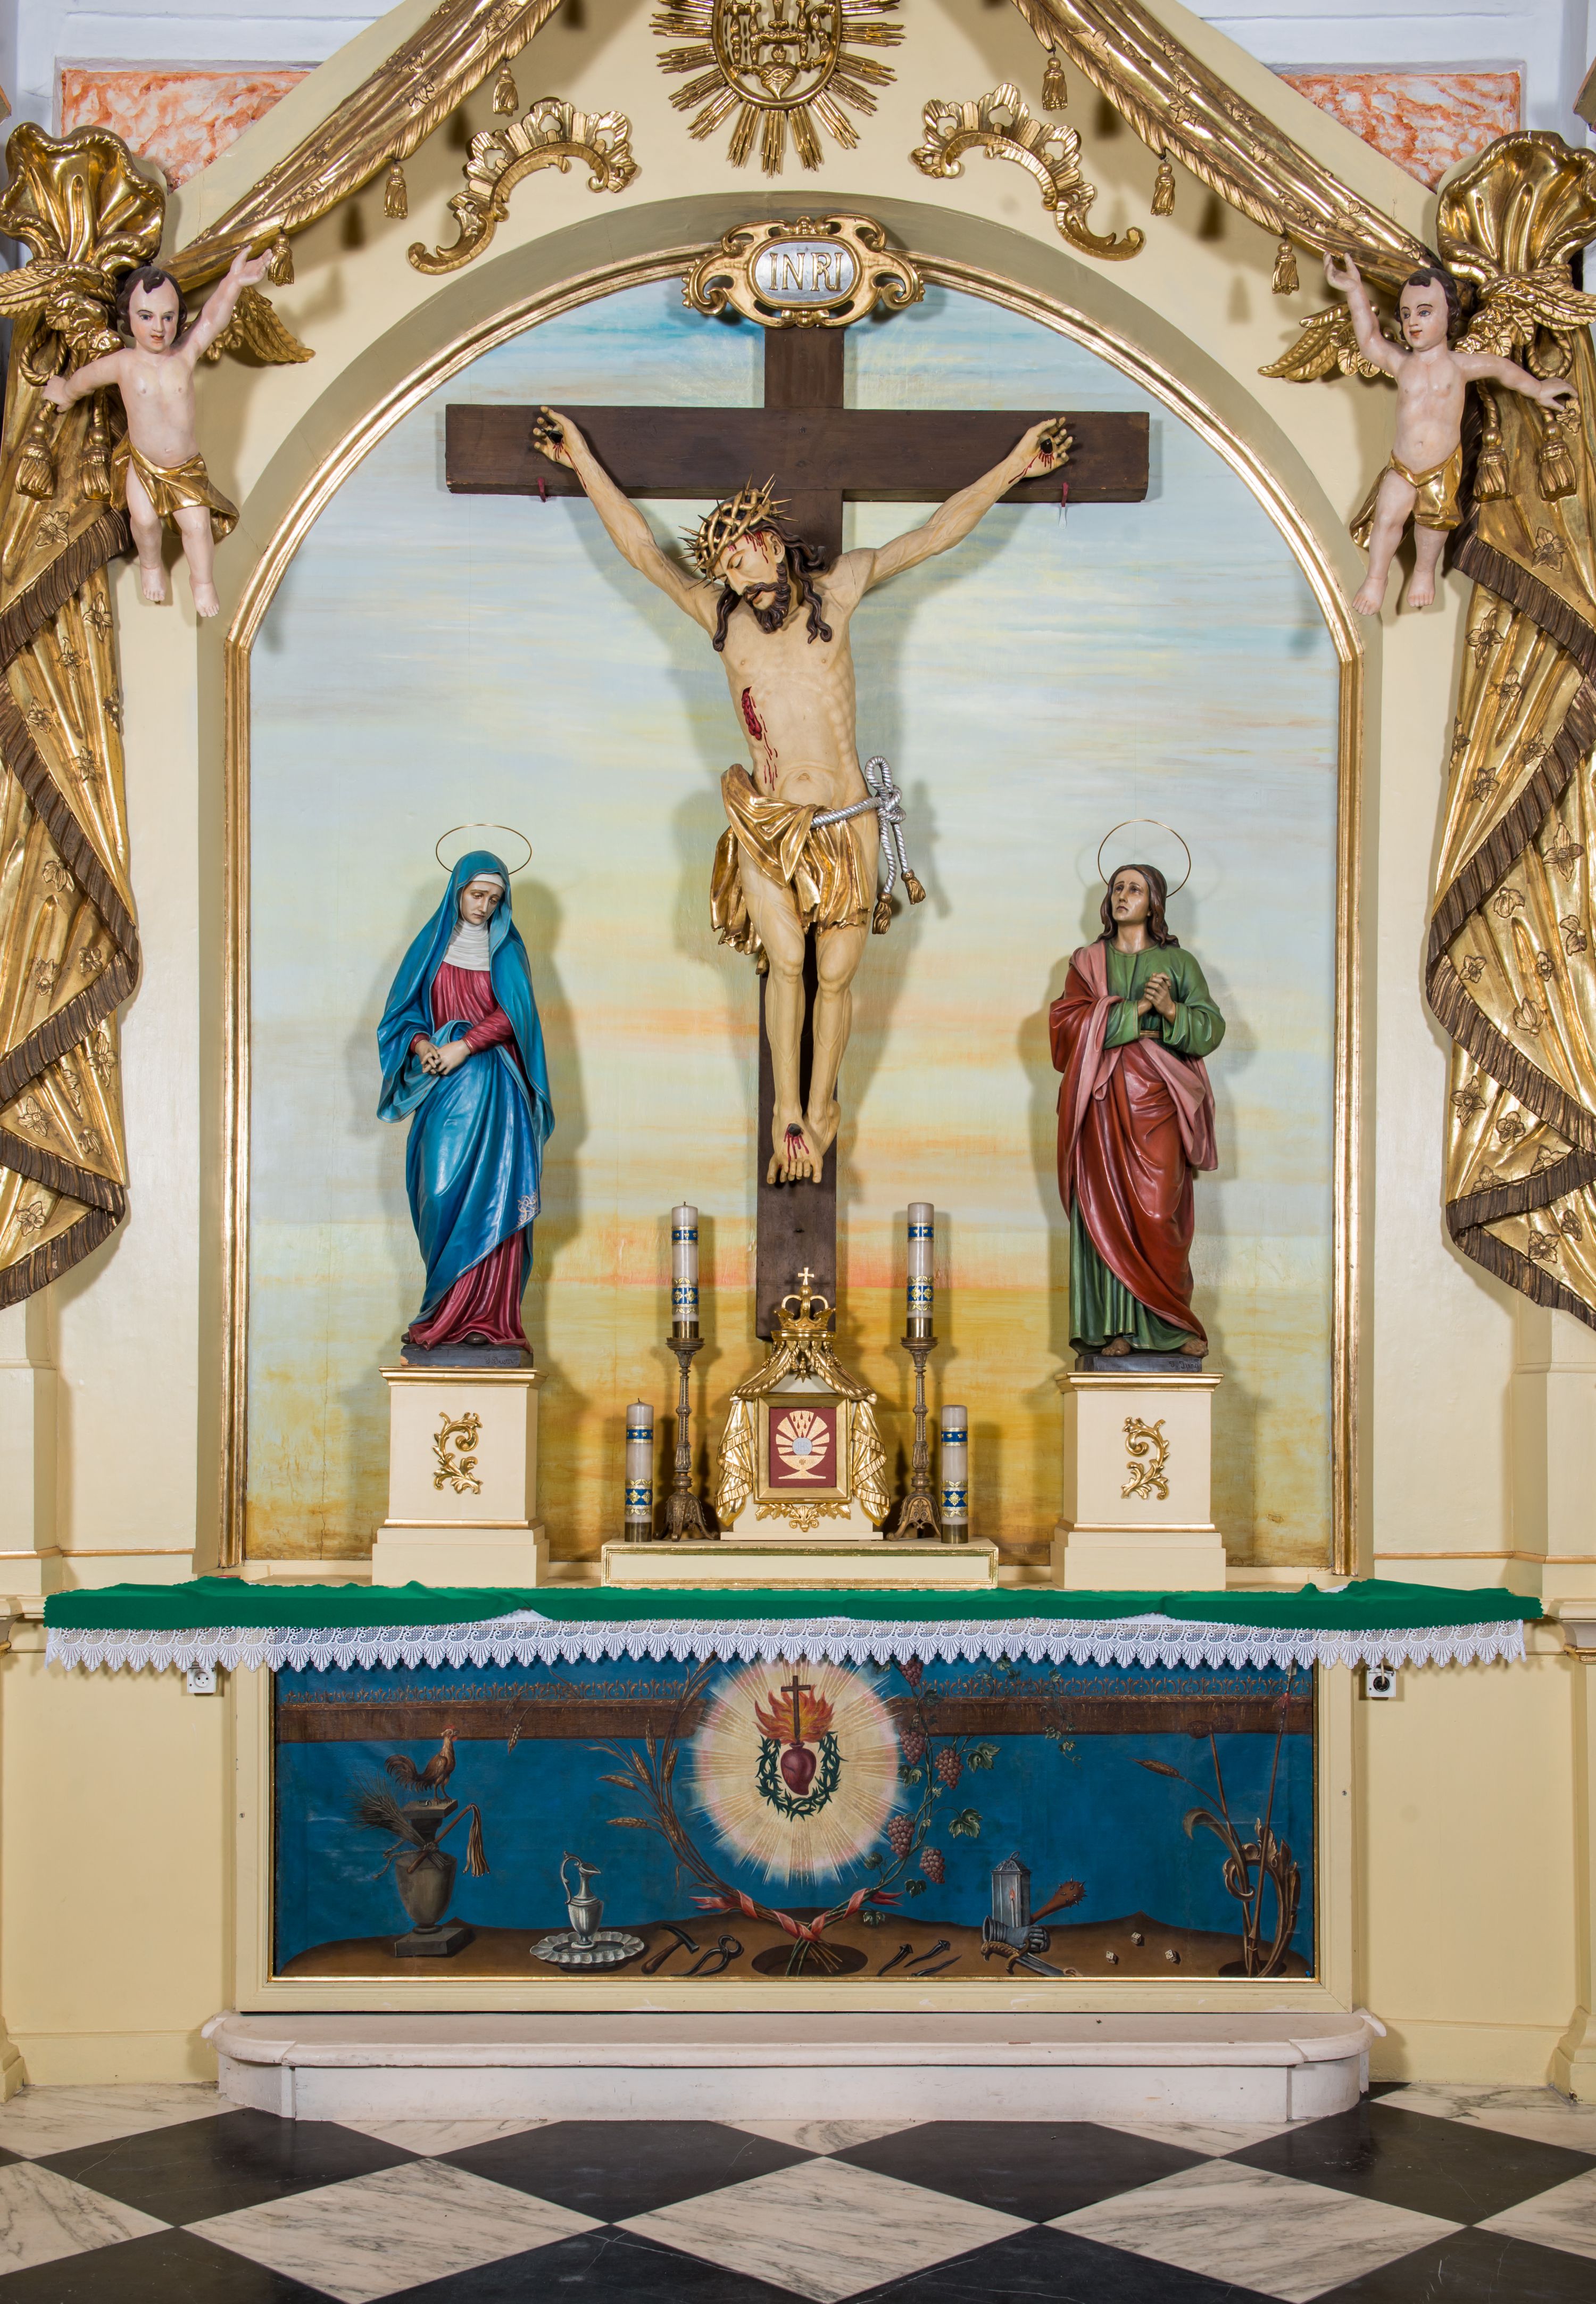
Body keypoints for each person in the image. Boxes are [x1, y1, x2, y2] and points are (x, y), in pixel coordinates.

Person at [530, 408, 1069, 1183]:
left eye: (743, 558)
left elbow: (934, 534)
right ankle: (788, 1108)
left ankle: (821, 1110)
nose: (737, 579)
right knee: (785, 962)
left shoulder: (840, 591)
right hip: (769, 818)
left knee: (837, 974)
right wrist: (581, 459)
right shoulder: (721, 617)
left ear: (774, 545)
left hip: (846, 818)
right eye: (726, 570)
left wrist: (1017, 465)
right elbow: (644, 551)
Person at [1326, 254, 1576, 615]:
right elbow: (1368, 339)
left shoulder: (1459, 366)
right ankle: (1376, 578)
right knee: (1387, 516)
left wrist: (1537, 389)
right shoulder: (1402, 363)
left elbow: (1502, 369)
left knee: (1434, 524)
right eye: (1406, 314)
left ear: (1450, 316)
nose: (1413, 322)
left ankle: (1424, 573)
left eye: (1425, 312)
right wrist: (1353, 290)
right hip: (1402, 465)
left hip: (1441, 467)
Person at [377, 852, 553, 1353]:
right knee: (438, 1193)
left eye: (495, 899)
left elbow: (518, 1015)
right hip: (441, 1089)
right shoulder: (430, 947)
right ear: (457, 890)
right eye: (477, 895)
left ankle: (487, 1320)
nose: (485, 907)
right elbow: (403, 1015)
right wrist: (423, 1046)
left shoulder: (507, 948)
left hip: (496, 1090)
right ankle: (442, 1312)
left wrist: (466, 1044)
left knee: (494, 1197)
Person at [1050, 864, 1224, 1358]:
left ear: (1154, 904)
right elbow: (1064, 1028)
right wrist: (1132, 1010)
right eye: (1117, 888)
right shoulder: (1087, 961)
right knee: (1107, 1209)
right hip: (1102, 1099)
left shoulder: (1179, 962)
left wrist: (1168, 1009)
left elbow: (1210, 1029)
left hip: (1159, 1097)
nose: (1123, 895)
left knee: (1159, 1210)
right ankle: (1118, 1327)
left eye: (1135, 889)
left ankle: (1172, 1324)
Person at [41, 247, 270, 616]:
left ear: (179, 317)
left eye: (168, 317)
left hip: (186, 468)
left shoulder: (184, 355)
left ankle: (202, 582)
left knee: (198, 527)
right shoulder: (124, 364)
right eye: (146, 316)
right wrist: (66, 393)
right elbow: (87, 379)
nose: (159, 328)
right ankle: (150, 566)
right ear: (128, 317)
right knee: (145, 521)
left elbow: (212, 319)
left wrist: (234, 282)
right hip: (142, 463)